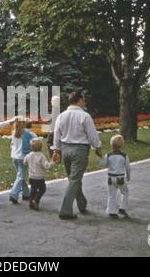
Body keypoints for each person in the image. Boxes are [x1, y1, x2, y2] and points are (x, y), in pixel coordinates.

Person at [52, 88, 102, 220]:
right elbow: (92, 134)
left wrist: (56, 150)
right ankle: (65, 210)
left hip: (65, 149)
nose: (84, 102)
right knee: (75, 180)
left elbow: (57, 134)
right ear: (80, 100)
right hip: (79, 150)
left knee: (73, 179)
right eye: (83, 99)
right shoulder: (84, 116)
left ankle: (82, 203)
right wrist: (97, 147)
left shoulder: (61, 116)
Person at [99, 135, 131, 218]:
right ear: (122, 145)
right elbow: (128, 167)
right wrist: (128, 176)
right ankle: (122, 208)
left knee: (111, 194)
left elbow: (103, 164)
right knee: (125, 192)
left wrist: (100, 157)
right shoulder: (124, 156)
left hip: (110, 178)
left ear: (111, 144)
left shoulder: (108, 155)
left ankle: (112, 211)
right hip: (120, 178)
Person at [24, 138, 57, 211]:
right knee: (42, 189)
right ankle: (36, 200)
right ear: (41, 147)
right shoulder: (41, 156)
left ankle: (31, 202)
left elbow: (24, 162)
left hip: (31, 176)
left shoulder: (29, 155)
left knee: (33, 189)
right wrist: (52, 162)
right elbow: (46, 166)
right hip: (39, 177)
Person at [9, 118, 31, 204]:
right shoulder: (27, 134)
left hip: (14, 157)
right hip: (23, 157)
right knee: (21, 176)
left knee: (20, 176)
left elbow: (12, 144)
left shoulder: (14, 133)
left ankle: (26, 193)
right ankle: (13, 194)